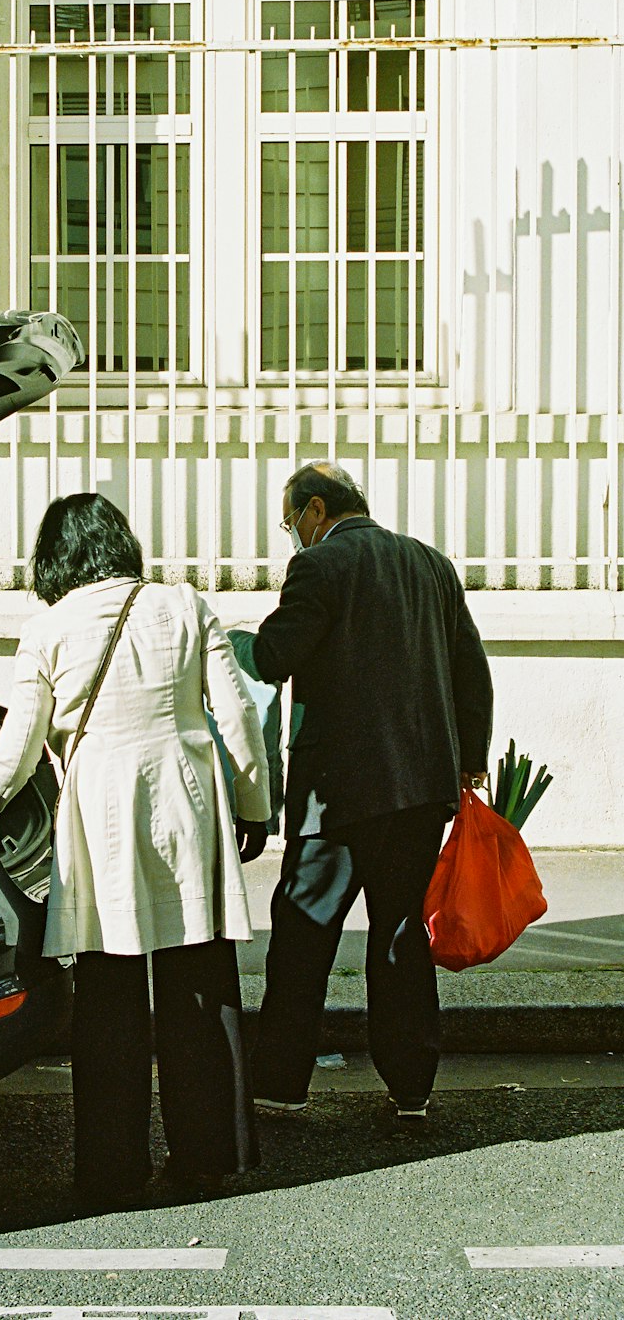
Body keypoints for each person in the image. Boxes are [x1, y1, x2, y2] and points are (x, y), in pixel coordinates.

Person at [0, 493, 271, 1200]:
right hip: (186, 809)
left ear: (54, 558)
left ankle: (112, 1166)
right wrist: (253, 805)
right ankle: (209, 1155)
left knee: (108, 1002)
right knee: (199, 982)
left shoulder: (46, 629)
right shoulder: (186, 606)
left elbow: (14, 755)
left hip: (99, 819)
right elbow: (239, 718)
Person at [245, 461, 493, 1119]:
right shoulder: (431, 564)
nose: (292, 533)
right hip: (420, 791)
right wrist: (470, 759)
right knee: (402, 934)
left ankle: (281, 1080)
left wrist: (235, 648)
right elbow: (472, 668)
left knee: (303, 931)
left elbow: (275, 655)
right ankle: (411, 1082)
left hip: (340, 795)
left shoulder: (320, 567)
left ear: (316, 510)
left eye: (290, 520)